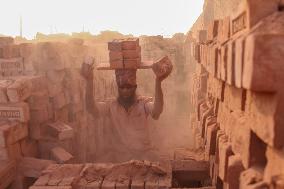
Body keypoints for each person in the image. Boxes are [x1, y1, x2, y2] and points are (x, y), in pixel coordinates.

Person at [81, 55, 172, 162]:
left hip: (143, 155)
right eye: (122, 87)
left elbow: (156, 112)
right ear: (118, 87)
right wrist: (89, 81)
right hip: (120, 156)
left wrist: (158, 81)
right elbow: (92, 109)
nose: (125, 91)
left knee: (155, 160)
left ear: (135, 87)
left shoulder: (142, 103)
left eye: (128, 87)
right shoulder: (111, 105)